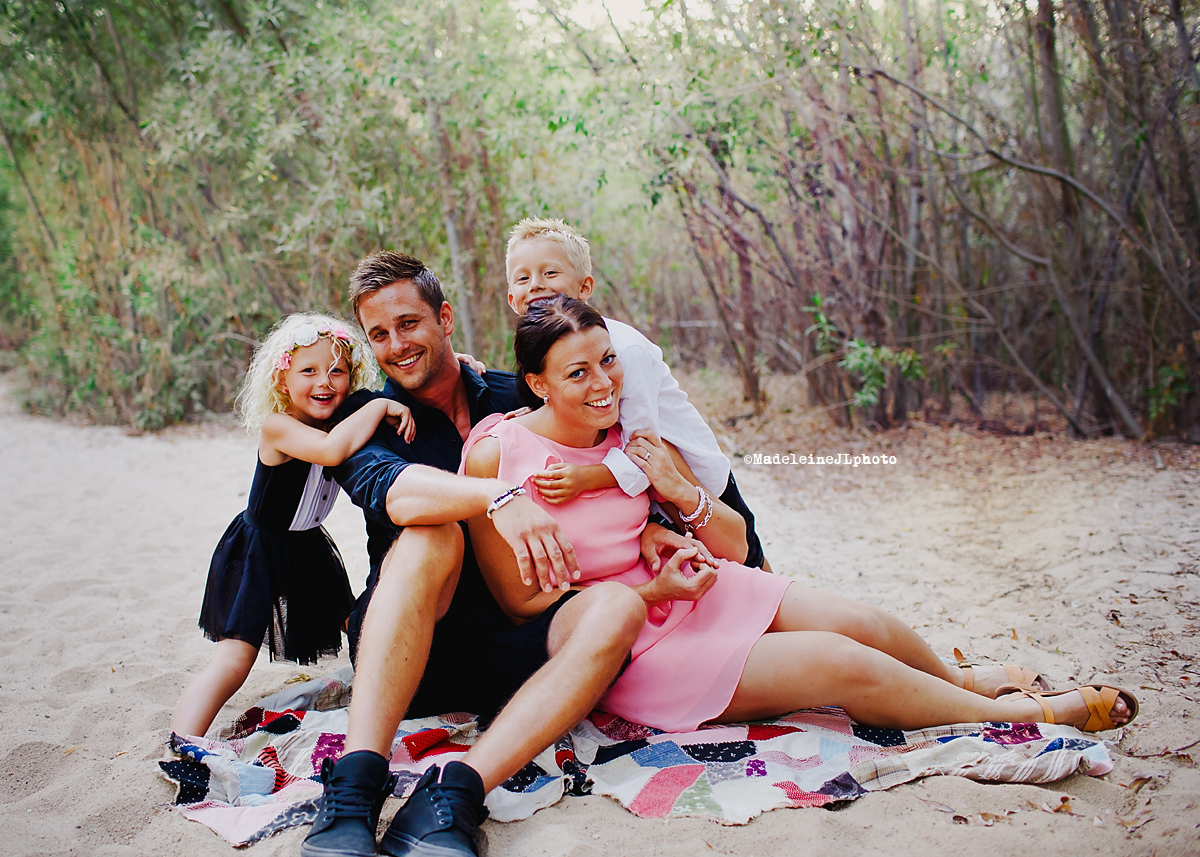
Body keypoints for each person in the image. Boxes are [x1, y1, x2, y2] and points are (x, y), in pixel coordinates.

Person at [462, 295, 1140, 735]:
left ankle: (957, 679)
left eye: (607, 361)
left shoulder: (630, 435)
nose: (603, 382)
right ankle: (1006, 714)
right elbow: (525, 605)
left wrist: (674, 505)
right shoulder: (499, 452)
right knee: (839, 661)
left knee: (858, 620)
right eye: (577, 373)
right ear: (537, 382)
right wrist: (651, 589)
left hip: (695, 590)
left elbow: (736, 547)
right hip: (628, 644)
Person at [301, 253, 653, 857]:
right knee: (430, 533)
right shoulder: (368, 418)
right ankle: (355, 790)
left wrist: (655, 530)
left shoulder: (515, 392)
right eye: (378, 334)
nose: (396, 345)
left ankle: (451, 798)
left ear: (444, 318)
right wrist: (498, 495)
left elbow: (615, 447)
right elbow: (396, 493)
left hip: (521, 642)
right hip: (415, 654)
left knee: (618, 607)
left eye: (408, 324)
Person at [171, 314, 415, 740]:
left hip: (309, 549)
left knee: (359, 623)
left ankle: (400, 690)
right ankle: (183, 741)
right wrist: (378, 406)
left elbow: (397, 391)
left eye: (337, 370)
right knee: (233, 661)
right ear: (283, 382)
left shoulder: (340, 415)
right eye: (309, 371)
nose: (325, 381)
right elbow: (330, 452)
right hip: (259, 550)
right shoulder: (279, 425)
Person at [505, 217, 770, 569]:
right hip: (645, 494)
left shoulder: (624, 350)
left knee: (749, 564)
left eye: (550, 274)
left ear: (585, 287)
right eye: (523, 278)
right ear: (512, 299)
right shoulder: (541, 356)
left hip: (693, 476)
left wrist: (587, 478)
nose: (536, 285)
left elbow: (645, 448)